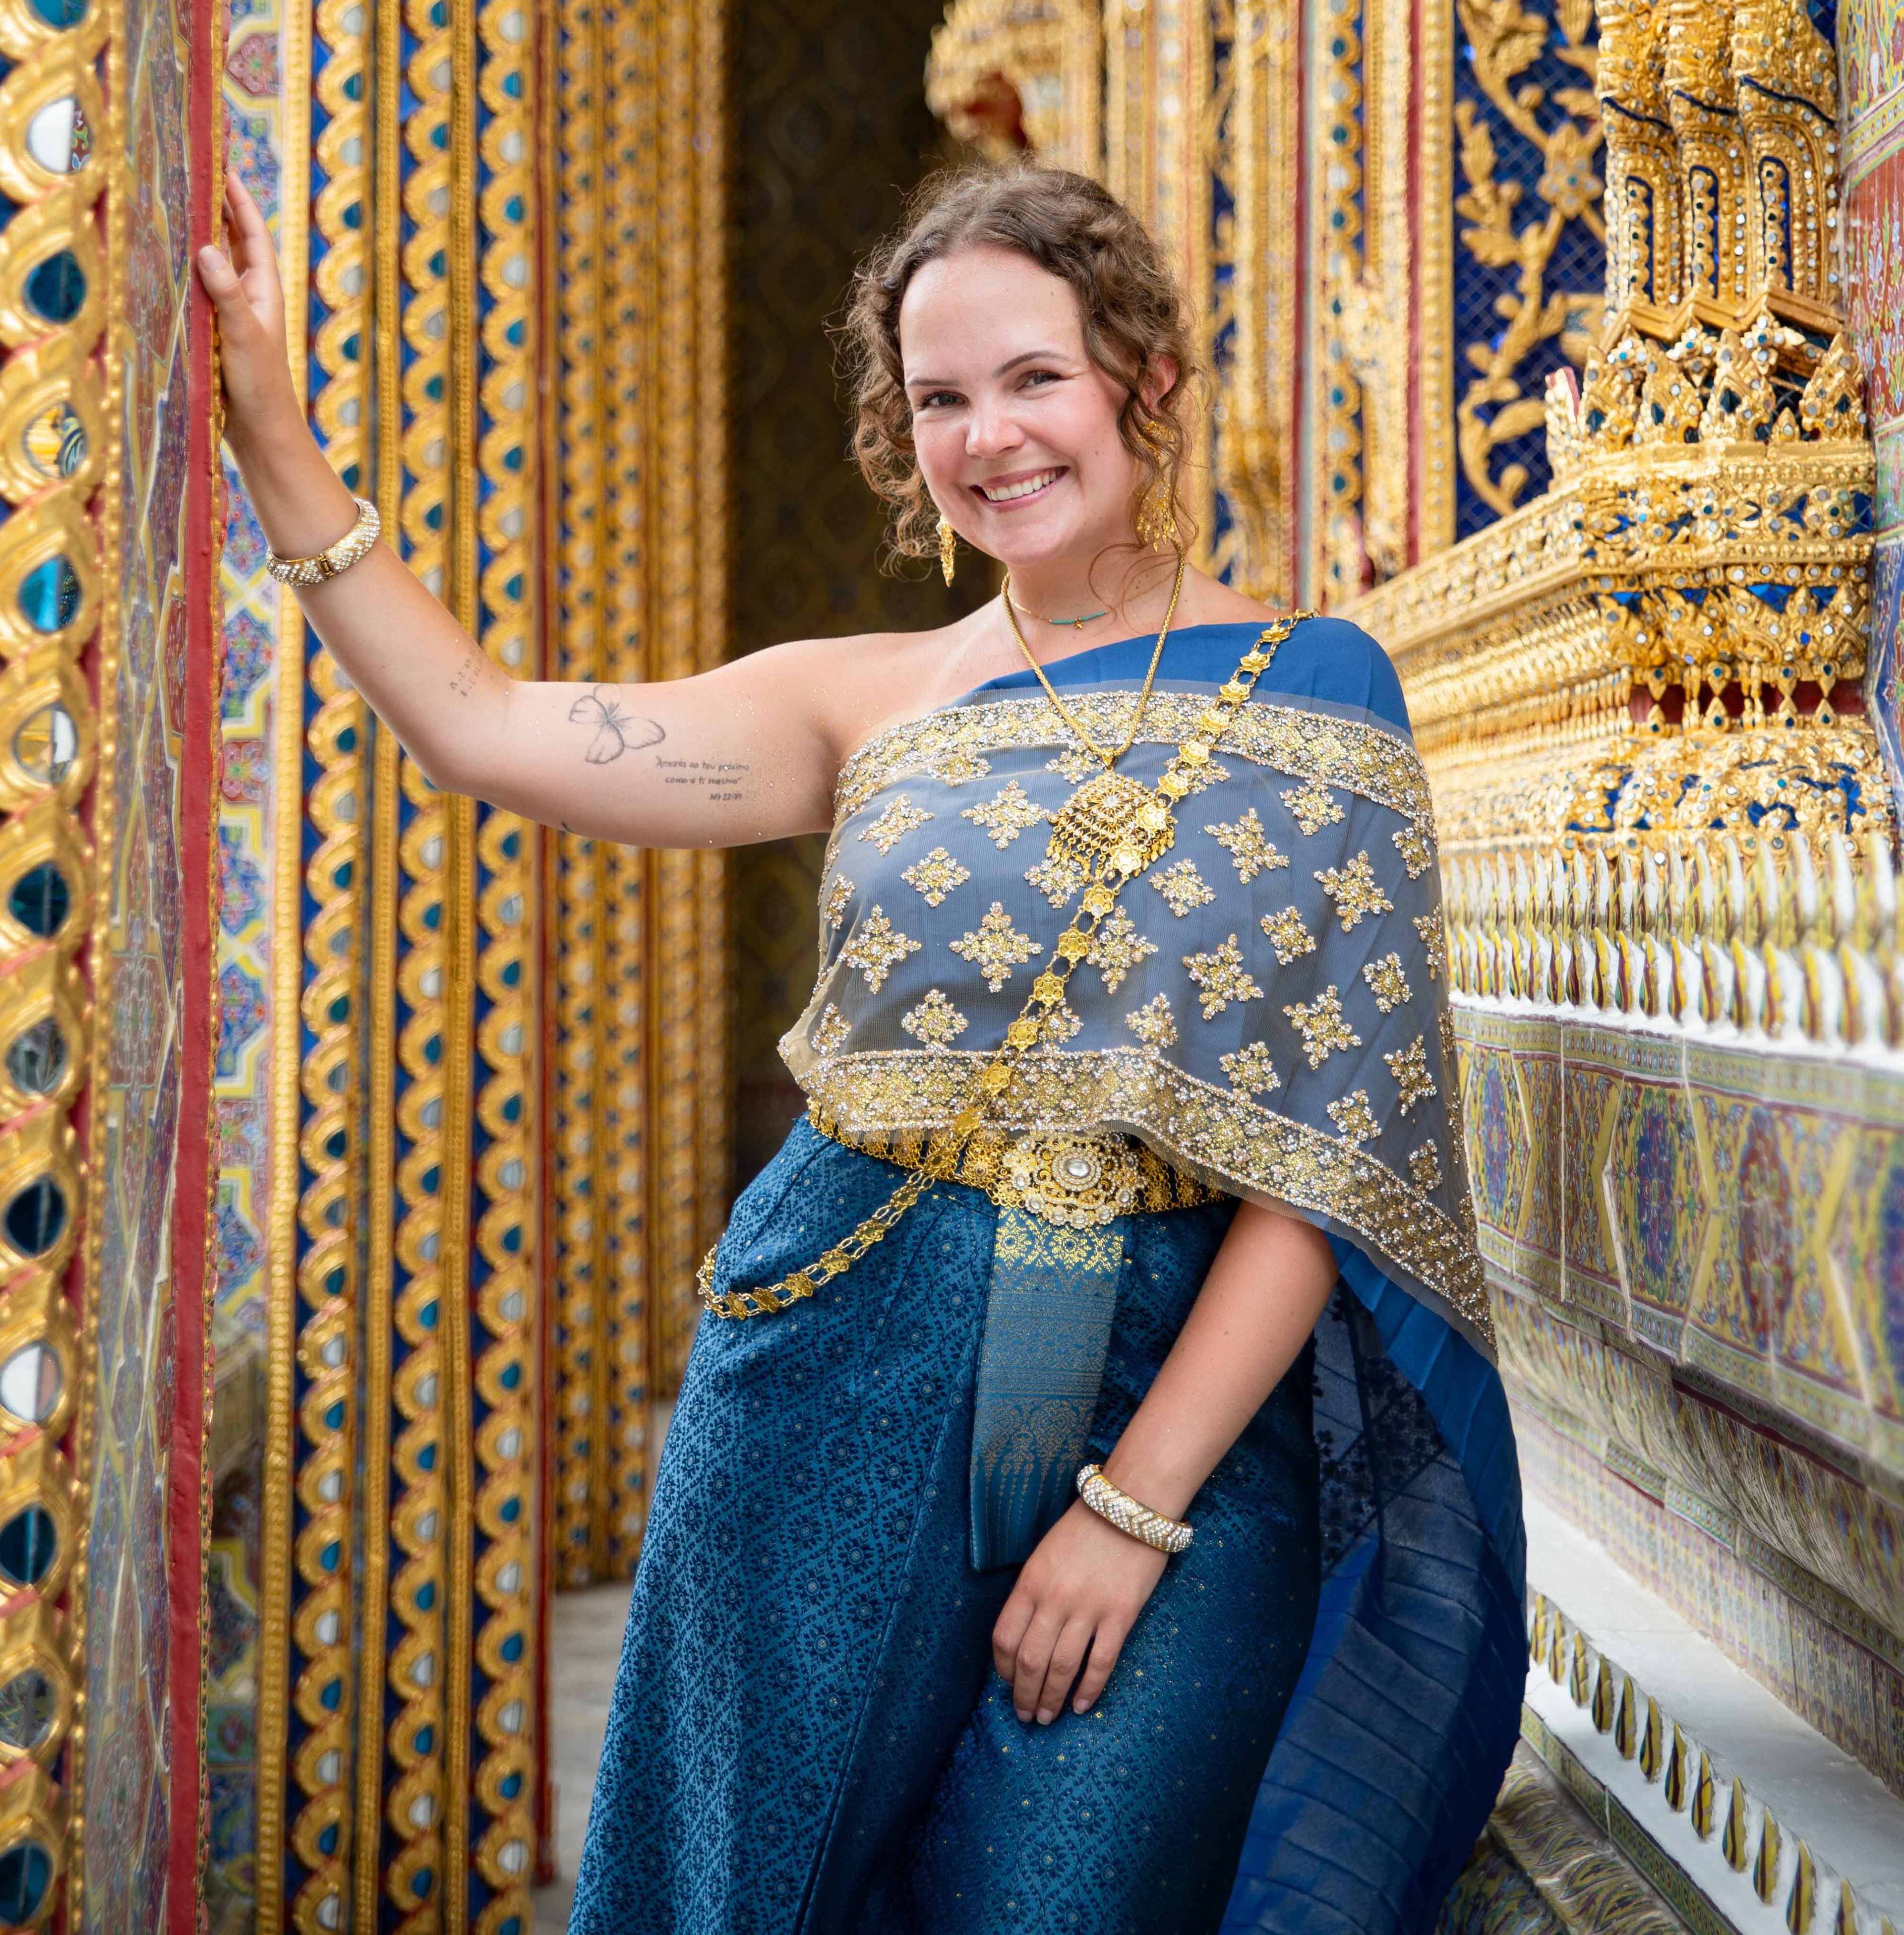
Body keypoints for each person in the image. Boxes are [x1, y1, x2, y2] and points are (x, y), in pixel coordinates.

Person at [199, 162, 1525, 1935]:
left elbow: (1324, 1167)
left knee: (1062, 1889)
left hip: (1179, 1409)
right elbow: (487, 726)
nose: (991, 436)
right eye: (940, 400)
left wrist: (1131, 1512)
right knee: (741, 1882)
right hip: (836, 1370)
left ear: (1139, 372)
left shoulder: (1319, 688)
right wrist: (275, 436)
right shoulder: (871, 698)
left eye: (1032, 377)